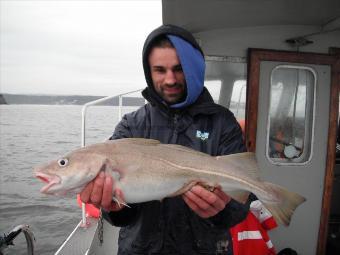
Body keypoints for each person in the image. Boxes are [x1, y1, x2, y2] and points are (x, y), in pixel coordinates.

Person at [80, 24, 249, 255]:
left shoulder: (223, 123)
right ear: (149, 73)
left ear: (194, 69)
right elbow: (121, 217)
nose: (170, 79)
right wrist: (114, 208)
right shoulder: (132, 125)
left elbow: (241, 206)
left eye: (178, 69)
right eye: (160, 70)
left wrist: (220, 210)